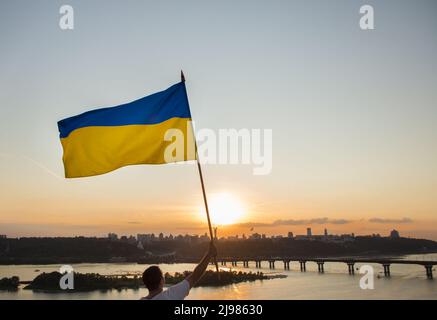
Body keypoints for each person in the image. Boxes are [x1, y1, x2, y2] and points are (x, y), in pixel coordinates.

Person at [140, 242, 217, 300]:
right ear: (161, 281)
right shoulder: (170, 296)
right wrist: (209, 254)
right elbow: (194, 276)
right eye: (163, 277)